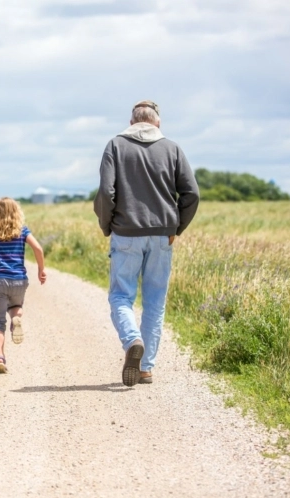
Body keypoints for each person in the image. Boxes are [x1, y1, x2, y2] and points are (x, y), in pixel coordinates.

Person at [94, 100, 199, 387]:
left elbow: (106, 191)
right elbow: (192, 194)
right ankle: (145, 368)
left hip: (126, 233)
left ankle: (132, 341)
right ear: (158, 123)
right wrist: (176, 227)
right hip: (162, 234)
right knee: (155, 301)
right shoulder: (172, 148)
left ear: (131, 123)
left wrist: (107, 225)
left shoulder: (115, 145)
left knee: (120, 296)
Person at [0, 197, 46, 374]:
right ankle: (15, 319)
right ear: (16, 212)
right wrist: (41, 270)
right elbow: (39, 249)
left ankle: (0, 357)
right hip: (19, 279)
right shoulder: (23, 231)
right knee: (16, 306)